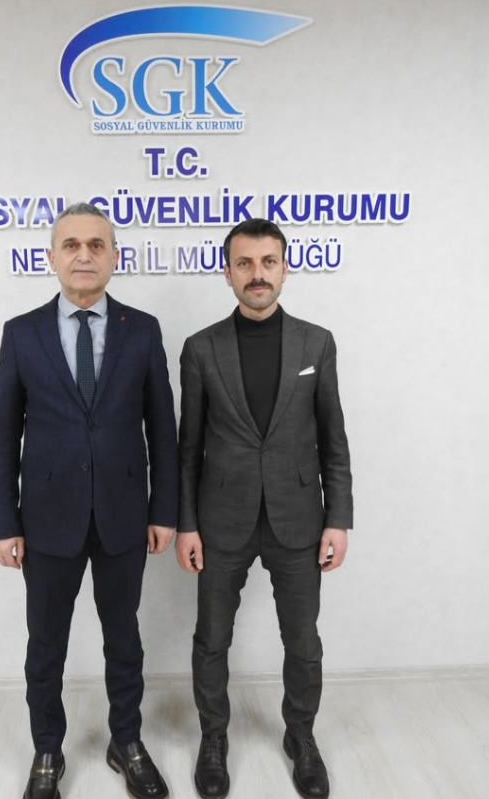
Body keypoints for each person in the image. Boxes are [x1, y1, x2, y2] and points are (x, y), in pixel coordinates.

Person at [0, 202, 178, 799]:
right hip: (47, 520)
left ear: (114, 256)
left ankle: (128, 742)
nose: (84, 255)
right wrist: (3, 522)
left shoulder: (141, 330)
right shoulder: (21, 333)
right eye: (71, 245)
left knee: (124, 640)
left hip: (125, 516)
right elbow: (4, 433)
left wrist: (164, 510)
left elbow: (163, 429)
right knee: (46, 645)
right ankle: (48, 749)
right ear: (52, 257)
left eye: (97, 244)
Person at [176, 218, 353, 799]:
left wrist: (338, 518)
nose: (257, 274)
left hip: (298, 518)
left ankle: (301, 735)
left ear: (284, 268)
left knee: (303, 641)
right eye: (245, 263)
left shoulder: (316, 343)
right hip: (220, 520)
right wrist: (186, 525)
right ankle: (213, 737)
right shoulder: (201, 348)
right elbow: (187, 448)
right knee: (211, 639)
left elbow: (333, 439)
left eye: (268, 262)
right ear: (227, 273)